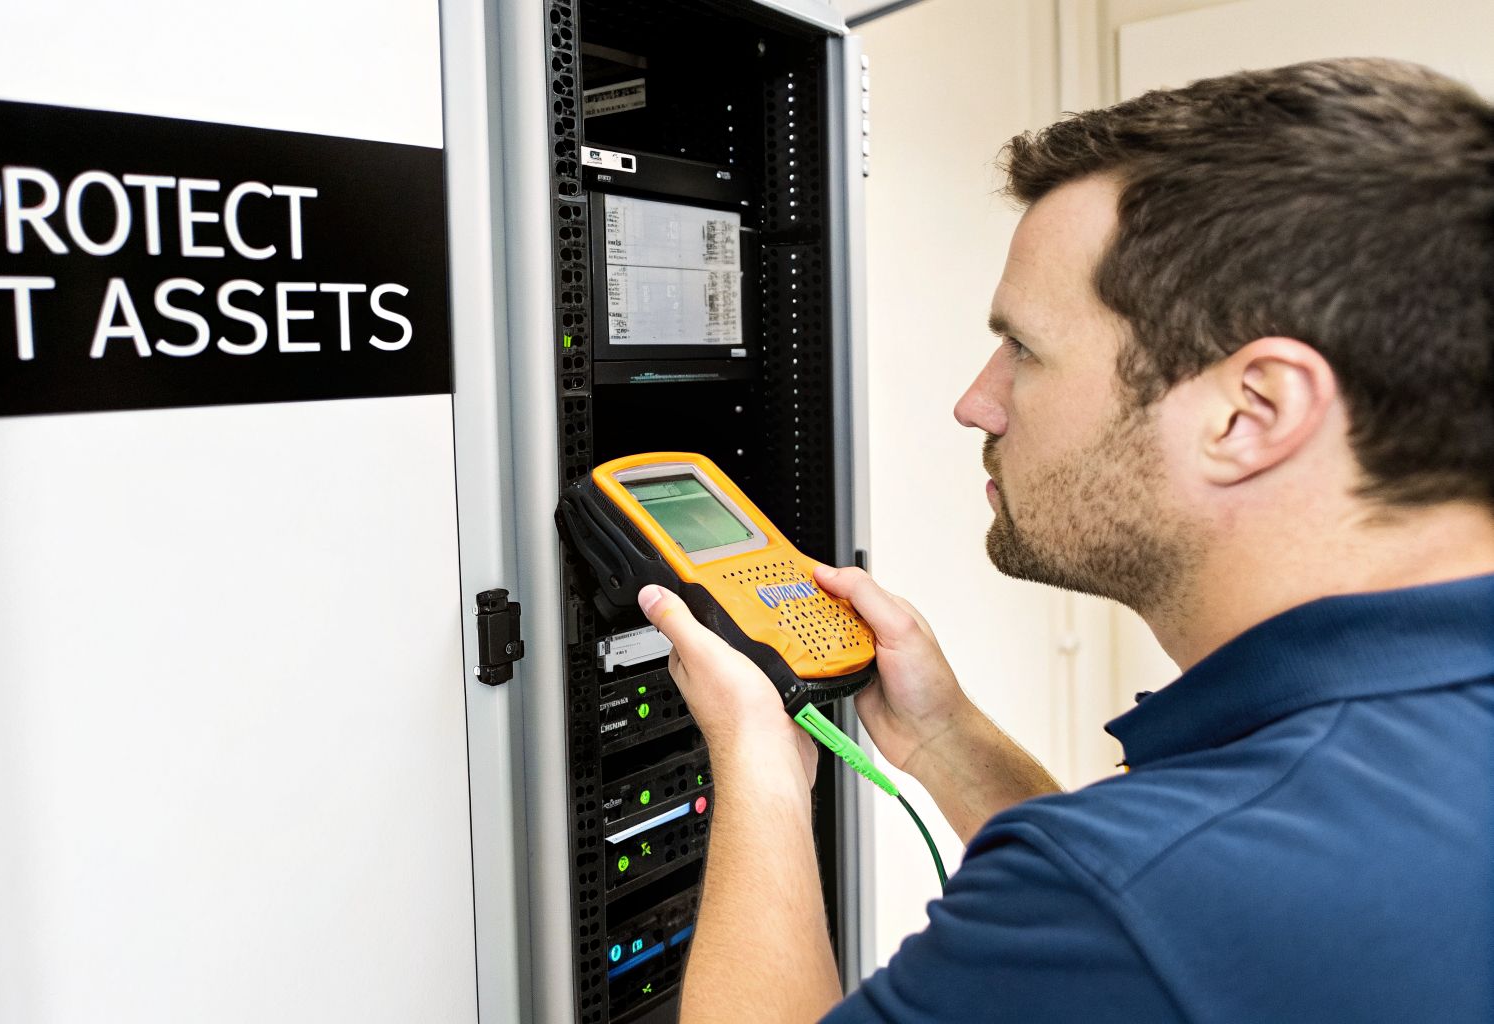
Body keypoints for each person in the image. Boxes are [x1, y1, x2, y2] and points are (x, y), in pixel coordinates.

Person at [635, 57, 1494, 1022]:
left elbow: (1139, 907)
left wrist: (758, 761)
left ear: (1250, 412)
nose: (977, 404)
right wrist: (940, 737)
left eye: (1025, 350)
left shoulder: (1151, 880)